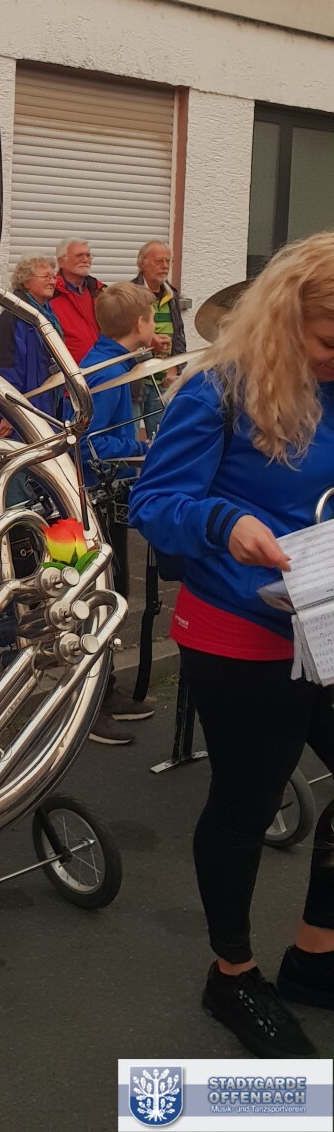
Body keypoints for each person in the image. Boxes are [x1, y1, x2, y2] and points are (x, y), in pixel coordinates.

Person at [130, 232, 334, 1059]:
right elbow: (155, 504)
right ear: (284, 320)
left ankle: (316, 956)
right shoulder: (220, 388)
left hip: (325, 622)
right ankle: (233, 975)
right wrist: (224, 521)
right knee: (246, 806)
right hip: (242, 633)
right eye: (328, 342)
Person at [78, 282, 158, 744]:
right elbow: (90, 444)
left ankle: (106, 690)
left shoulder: (112, 363)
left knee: (115, 594)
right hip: (93, 499)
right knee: (101, 598)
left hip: (106, 494)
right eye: (152, 317)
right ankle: (89, 707)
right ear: (139, 324)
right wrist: (142, 449)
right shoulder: (105, 373)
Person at [0, 253, 63, 437]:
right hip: (21, 413)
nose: (52, 281)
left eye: (53, 277)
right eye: (45, 276)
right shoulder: (12, 318)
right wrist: (7, 413)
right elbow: (4, 370)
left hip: (46, 404)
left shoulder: (47, 316)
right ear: (26, 281)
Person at [131, 240, 186, 438]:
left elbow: (179, 336)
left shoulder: (172, 294)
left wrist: (175, 368)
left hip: (162, 381)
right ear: (142, 263)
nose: (164, 266)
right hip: (135, 379)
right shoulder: (129, 293)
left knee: (162, 436)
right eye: (159, 261)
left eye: (168, 261)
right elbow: (122, 334)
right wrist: (148, 342)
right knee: (130, 435)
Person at [52, 237, 104, 363]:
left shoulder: (99, 291)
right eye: (79, 255)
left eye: (88, 255)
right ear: (61, 261)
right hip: (69, 370)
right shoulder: (50, 293)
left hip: (103, 366)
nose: (85, 260)